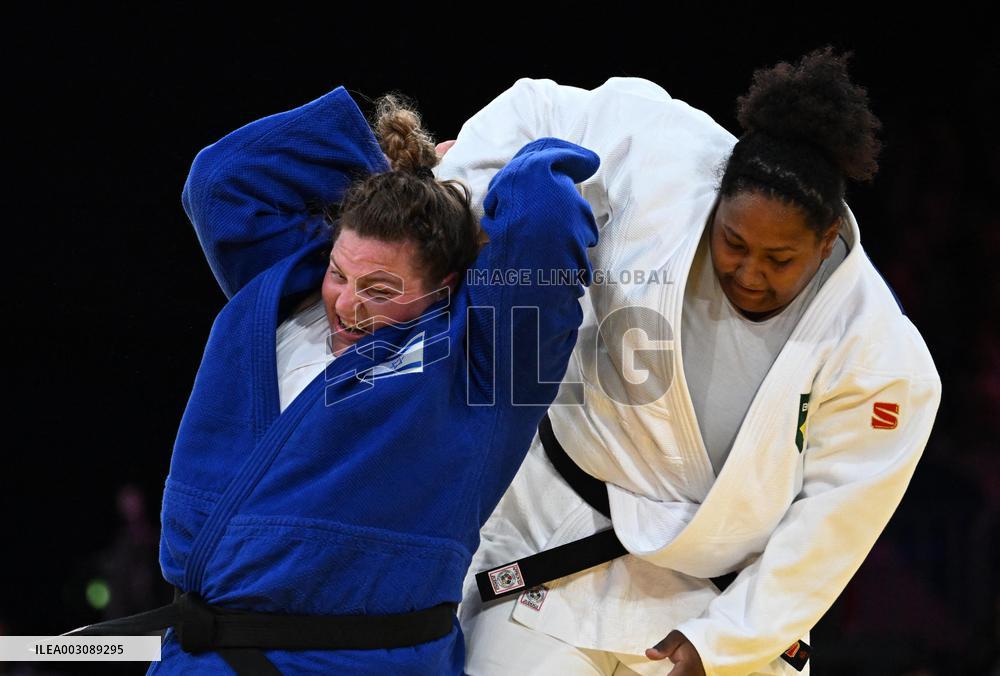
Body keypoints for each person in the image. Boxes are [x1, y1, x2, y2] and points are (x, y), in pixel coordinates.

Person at [434, 46, 942, 675]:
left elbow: (832, 526)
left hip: (724, 599)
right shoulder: (664, 156)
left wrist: (725, 639)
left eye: (780, 260)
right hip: (555, 540)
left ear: (828, 239)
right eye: (733, 242)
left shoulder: (882, 357)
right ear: (716, 196)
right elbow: (535, 107)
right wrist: (455, 199)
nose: (749, 272)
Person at [64, 85, 603, 674]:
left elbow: (543, 215)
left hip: (353, 660)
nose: (347, 304)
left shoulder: (482, 366)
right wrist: (400, 180)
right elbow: (222, 180)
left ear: (446, 288)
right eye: (339, 273)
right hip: (195, 652)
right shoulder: (282, 291)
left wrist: (474, 168)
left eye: (379, 291)